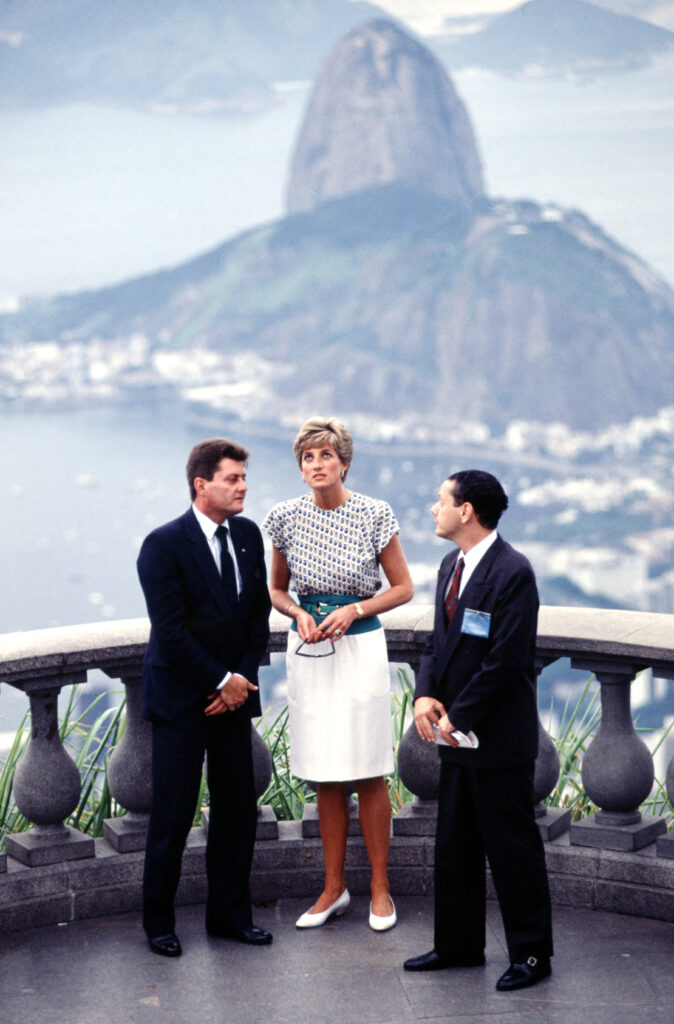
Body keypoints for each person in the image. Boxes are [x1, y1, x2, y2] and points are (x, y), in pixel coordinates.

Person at [403, 470, 553, 992]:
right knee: (455, 845)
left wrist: (456, 719)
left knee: (513, 849)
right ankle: (459, 946)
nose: (433, 508)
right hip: (456, 740)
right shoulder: (452, 564)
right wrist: (423, 694)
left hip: (496, 739)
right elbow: (434, 644)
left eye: (440, 500)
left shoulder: (513, 573)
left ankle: (532, 957)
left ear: (466, 511)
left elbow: (505, 661)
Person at [263, 417, 414, 931]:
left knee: (369, 767)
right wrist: (298, 615)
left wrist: (354, 610)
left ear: (344, 463)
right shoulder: (283, 517)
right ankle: (333, 888)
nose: (317, 464)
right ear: (300, 468)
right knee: (325, 771)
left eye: (326, 455)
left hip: (361, 647)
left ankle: (379, 887)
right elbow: (277, 590)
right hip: (309, 651)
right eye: (308, 457)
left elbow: (404, 588)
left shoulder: (375, 513)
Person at [137, 438, 272, 957]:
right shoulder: (163, 544)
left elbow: (256, 616)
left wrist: (237, 682)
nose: (243, 487)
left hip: (233, 701)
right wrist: (221, 681)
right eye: (232, 479)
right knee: (171, 815)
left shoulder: (247, 536)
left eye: (243, 478)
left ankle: (230, 918)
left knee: (237, 811)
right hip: (180, 702)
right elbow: (169, 632)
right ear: (202, 485)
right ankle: (159, 925)